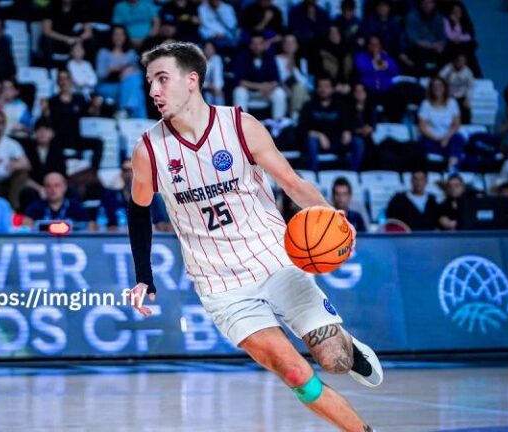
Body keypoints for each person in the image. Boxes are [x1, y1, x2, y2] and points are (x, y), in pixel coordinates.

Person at [129, 42, 382, 432]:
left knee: (335, 361)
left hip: (275, 259)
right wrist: (144, 275)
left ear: (192, 80)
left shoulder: (240, 126)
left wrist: (334, 218)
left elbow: (292, 184)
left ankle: (348, 345)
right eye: (150, 82)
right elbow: (139, 209)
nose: (153, 92)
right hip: (220, 284)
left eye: (162, 79)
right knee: (296, 373)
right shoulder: (149, 149)